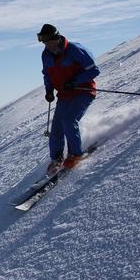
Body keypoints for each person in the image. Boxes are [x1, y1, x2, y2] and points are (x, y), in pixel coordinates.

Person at [38, 23, 100, 175]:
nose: (48, 45)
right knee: (57, 128)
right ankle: (57, 158)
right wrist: (49, 90)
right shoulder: (46, 55)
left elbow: (94, 70)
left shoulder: (74, 50)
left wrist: (74, 82)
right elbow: (47, 74)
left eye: (49, 41)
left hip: (83, 91)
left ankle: (75, 154)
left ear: (57, 38)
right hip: (64, 95)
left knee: (68, 120)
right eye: (44, 42)